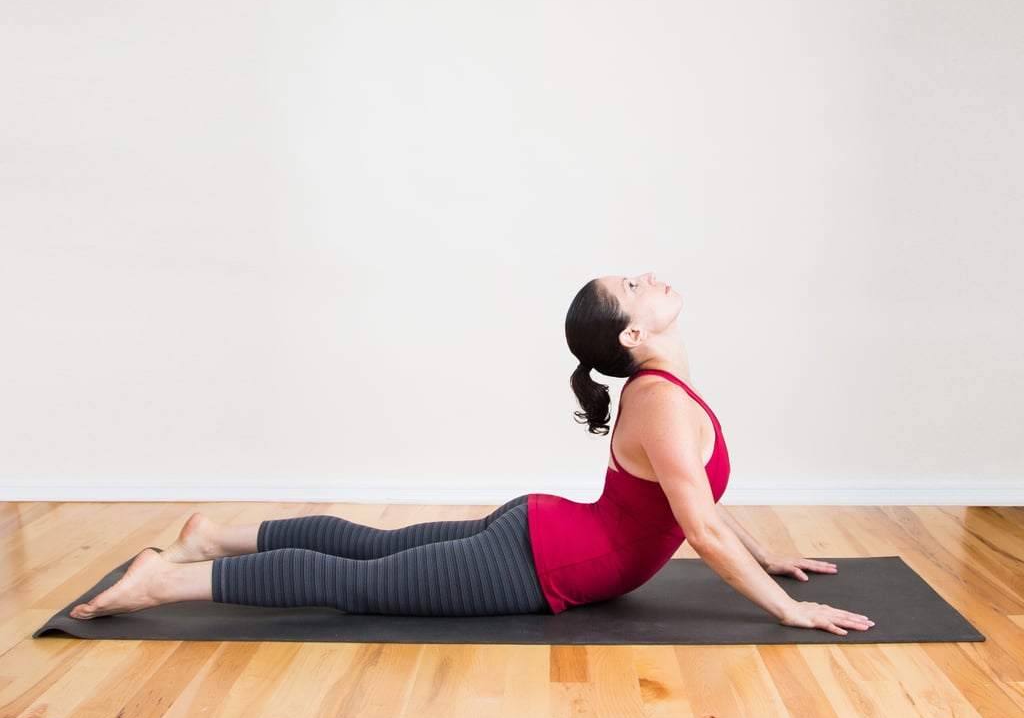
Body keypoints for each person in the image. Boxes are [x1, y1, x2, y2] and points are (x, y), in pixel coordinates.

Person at [71, 271, 874, 637]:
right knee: (358, 583)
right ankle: (163, 582)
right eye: (634, 287)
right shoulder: (662, 402)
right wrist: (786, 610)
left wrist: (767, 559)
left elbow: (690, 496)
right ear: (635, 336)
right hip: (535, 564)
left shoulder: (666, 395)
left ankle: (214, 537)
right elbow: (696, 528)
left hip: (542, 535)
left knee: (374, 549)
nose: (649, 278)